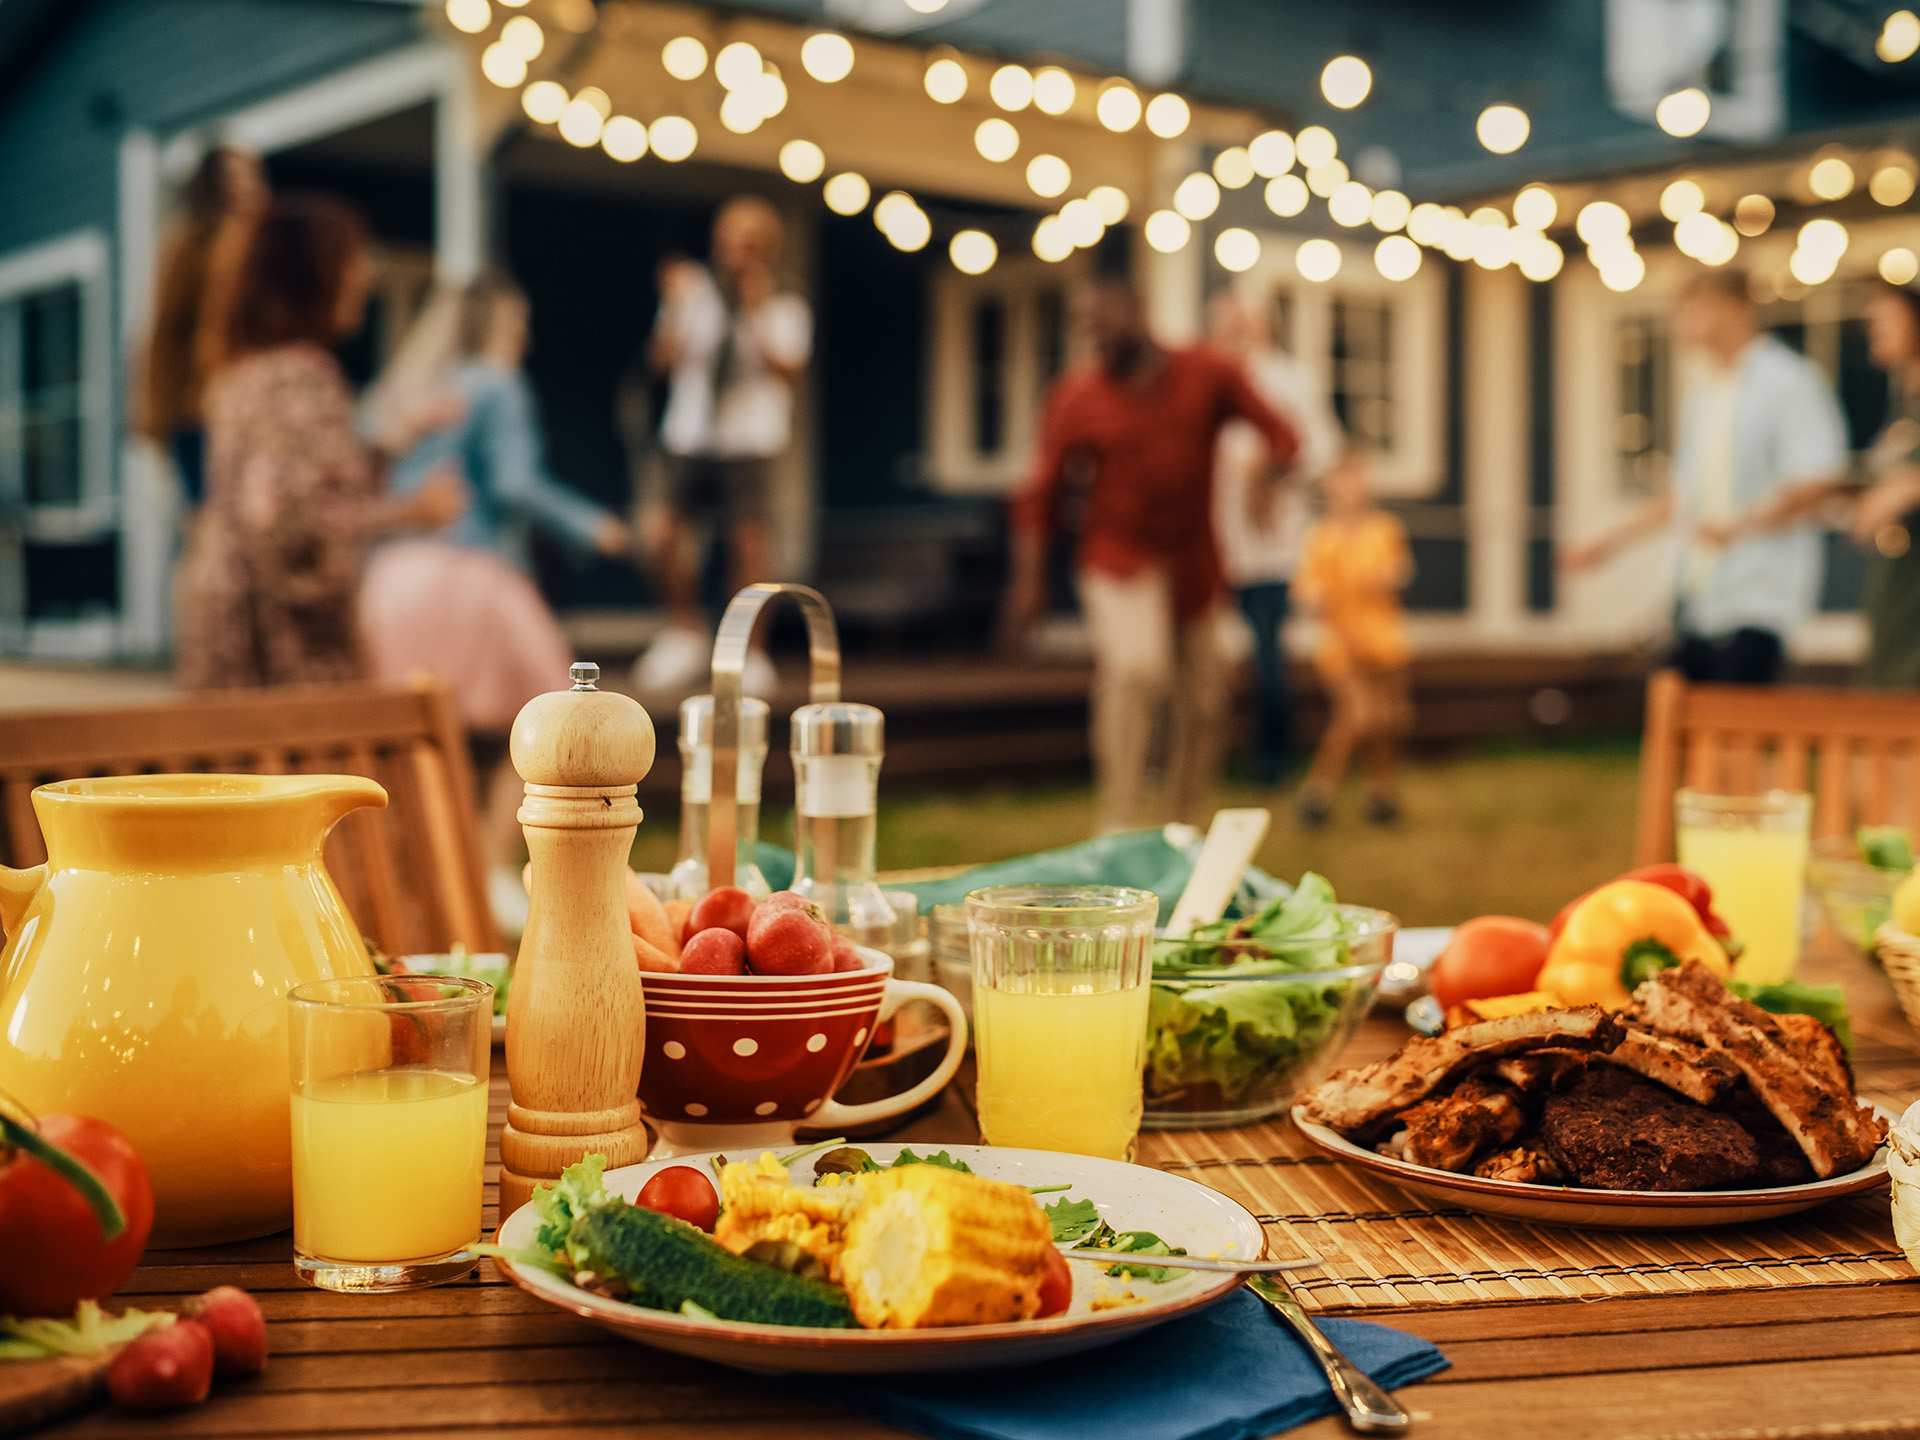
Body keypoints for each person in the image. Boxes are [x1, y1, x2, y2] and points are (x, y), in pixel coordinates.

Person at [360, 273, 635, 924]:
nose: (527, 338)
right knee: (553, 711)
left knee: (424, 732)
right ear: (496, 327)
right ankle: (489, 867)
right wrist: (588, 525)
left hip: (392, 578)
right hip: (465, 573)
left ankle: (419, 881)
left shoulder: (415, 393)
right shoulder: (495, 384)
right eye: (519, 324)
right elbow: (513, 483)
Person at [1005, 279, 1299, 832]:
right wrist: (1029, 582)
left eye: (1104, 319)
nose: (1096, 336)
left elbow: (1282, 434)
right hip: (1117, 559)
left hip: (1194, 562)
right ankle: (1117, 823)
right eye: (1085, 327)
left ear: (1136, 310)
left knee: (1207, 698)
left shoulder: (1207, 372)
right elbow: (1039, 494)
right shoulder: (1078, 395)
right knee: (1138, 669)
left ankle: (1182, 827)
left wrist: (1266, 478)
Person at [175, 195, 464, 689]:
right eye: (352, 261)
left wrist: (397, 438)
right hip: (280, 651)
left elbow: (304, 486)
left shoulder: (240, 375)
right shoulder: (303, 377)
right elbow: (295, 528)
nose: (363, 278)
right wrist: (415, 511)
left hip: (225, 630)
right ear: (312, 274)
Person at [1560, 269, 1848, 684]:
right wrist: (1606, 544)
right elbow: (1683, 497)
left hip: (1759, 591)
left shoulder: (1788, 381)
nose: (1681, 324)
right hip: (1700, 592)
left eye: (1691, 310)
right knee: (1670, 708)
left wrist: (1742, 525)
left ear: (1730, 309)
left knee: (1733, 719)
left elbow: (1817, 477)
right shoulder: (1706, 391)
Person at [638, 197, 812, 693]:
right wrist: (672, 307)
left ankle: (749, 653)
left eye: (751, 243)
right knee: (662, 535)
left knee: (750, 547)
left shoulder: (785, 305)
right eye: (733, 241)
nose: (740, 253)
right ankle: (684, 630)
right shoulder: (693, 295)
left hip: (750, 440)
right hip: (690, 434)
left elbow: (788, 371)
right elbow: (662, 362)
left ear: (769, 250)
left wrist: (755, 313)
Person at [1207, 291, 1346, 784]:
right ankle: (1211, 755)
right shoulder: (1207, 381)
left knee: (1268, 651)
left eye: (1242, 323)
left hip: (1271, 546)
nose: (1234, 333)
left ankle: (1272, 759)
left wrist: (1272, 474)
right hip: (1213, 544)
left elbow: (1324, 448)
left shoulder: (1289, 379)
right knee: (1207, 656)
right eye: (1225, 324)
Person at [135, 146, 269, 505]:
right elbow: (165, 333)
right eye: (234, 179)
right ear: (212, 188)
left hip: (258, 404)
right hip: (201, 410)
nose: (247, 188)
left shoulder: (268, 247)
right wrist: (154, 414)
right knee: (212, 518)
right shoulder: (187, 247)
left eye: (252, 177)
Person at [1293, 455, 1413, 826]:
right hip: (1340, 643)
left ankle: (1381, 792)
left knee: (1384, 720)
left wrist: (1384, 577)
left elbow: (1398, 570)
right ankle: (1318, 792)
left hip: (1381, 640)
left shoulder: (1384, 530)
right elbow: (1306, 587)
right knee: (1356, 713)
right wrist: (1314, 596)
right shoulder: (1321, 537)